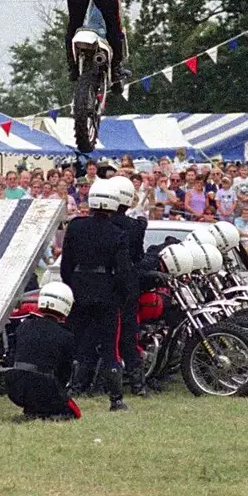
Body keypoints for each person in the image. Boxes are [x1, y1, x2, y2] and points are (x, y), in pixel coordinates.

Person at [60, 177, 135, 412]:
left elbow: (66, 265)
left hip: (79, 290)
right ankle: (115, 399)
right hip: (107, 293)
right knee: (109, 346)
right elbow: (122, 270)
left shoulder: (76, 226)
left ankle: (67, 388)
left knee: (73, 342)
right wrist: (121, 295)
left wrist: (72, 286)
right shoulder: (116, 233)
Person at [4, 282, 82, 422]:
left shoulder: (24, 326)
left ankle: (33, 410)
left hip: (15, 385)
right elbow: (64, 372)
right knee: (74, 413)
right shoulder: (66, 336)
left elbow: (11, 356)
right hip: (44, 386)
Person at [109, 175, 151, 398]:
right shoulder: (134, 227)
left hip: (99, 287)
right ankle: (137, 384)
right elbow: (138, 257)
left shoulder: (89, 224)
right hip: (125, 288)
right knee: (128, 335)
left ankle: (82, 383)